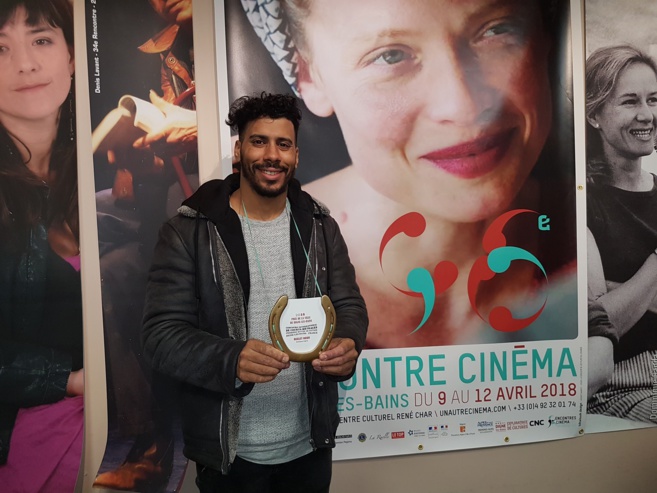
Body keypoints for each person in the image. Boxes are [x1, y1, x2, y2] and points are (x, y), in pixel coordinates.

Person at [239, 0, 577, 348]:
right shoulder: (245, 274)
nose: (463, 107)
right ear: (307, 74)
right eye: (390, 56)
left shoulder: (596, 232)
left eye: (496, 30)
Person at [142, 92, 368, 492]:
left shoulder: (320, 225)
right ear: (238, 150)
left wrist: (348, 341)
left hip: (309, 447)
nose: (272, 156)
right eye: (259, 141)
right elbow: (160, 336)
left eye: (283, 144)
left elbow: (348, 304)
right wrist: (230, 359)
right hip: (231, 458)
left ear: (296, 155)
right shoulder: (189, 230)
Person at [92, 0, 198, 490]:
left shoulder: (238, 38)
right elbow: (154, 152)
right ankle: (147, 442)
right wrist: (133, 161)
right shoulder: (147, 53)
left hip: (225, 197)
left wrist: (196, 130)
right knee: (111, 270)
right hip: (170, 200)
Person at [0, 0, 83, 491]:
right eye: (1, 48)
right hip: (22, 451)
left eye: (42, 39)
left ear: (72, 56)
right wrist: (66, 379)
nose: (25, 64)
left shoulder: (99, 166)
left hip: (113, 437)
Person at [585, 44, 657, 423]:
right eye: (630, 101)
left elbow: (607, 306)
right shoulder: (581, 203)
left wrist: (623, 291)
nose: (647, 114)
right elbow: (593, 325)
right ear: (594, 114)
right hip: (619, 384)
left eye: (653, 99)